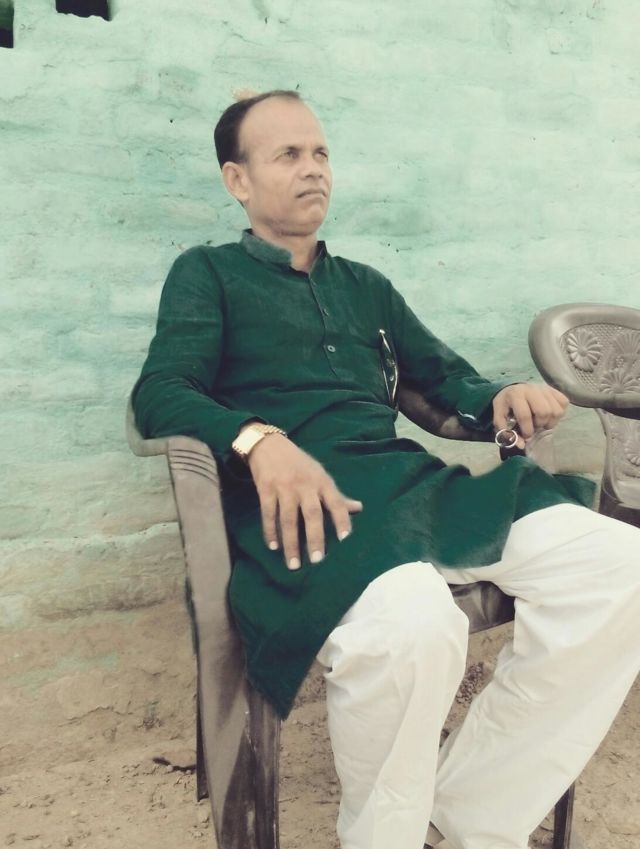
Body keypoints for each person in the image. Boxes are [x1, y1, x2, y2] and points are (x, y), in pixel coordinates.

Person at [132, 90, 640, 849]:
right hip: (304, 513)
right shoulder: (207, 275)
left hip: (411, 491)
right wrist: (259, 440)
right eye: (288, 155)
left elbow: (444, 382)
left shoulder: (365, 286)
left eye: (320, 153)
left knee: (620, 565)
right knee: (412, 622)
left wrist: (500, 396)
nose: (313, 169)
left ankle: (464, 816)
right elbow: (161, 392)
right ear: (238, 180)